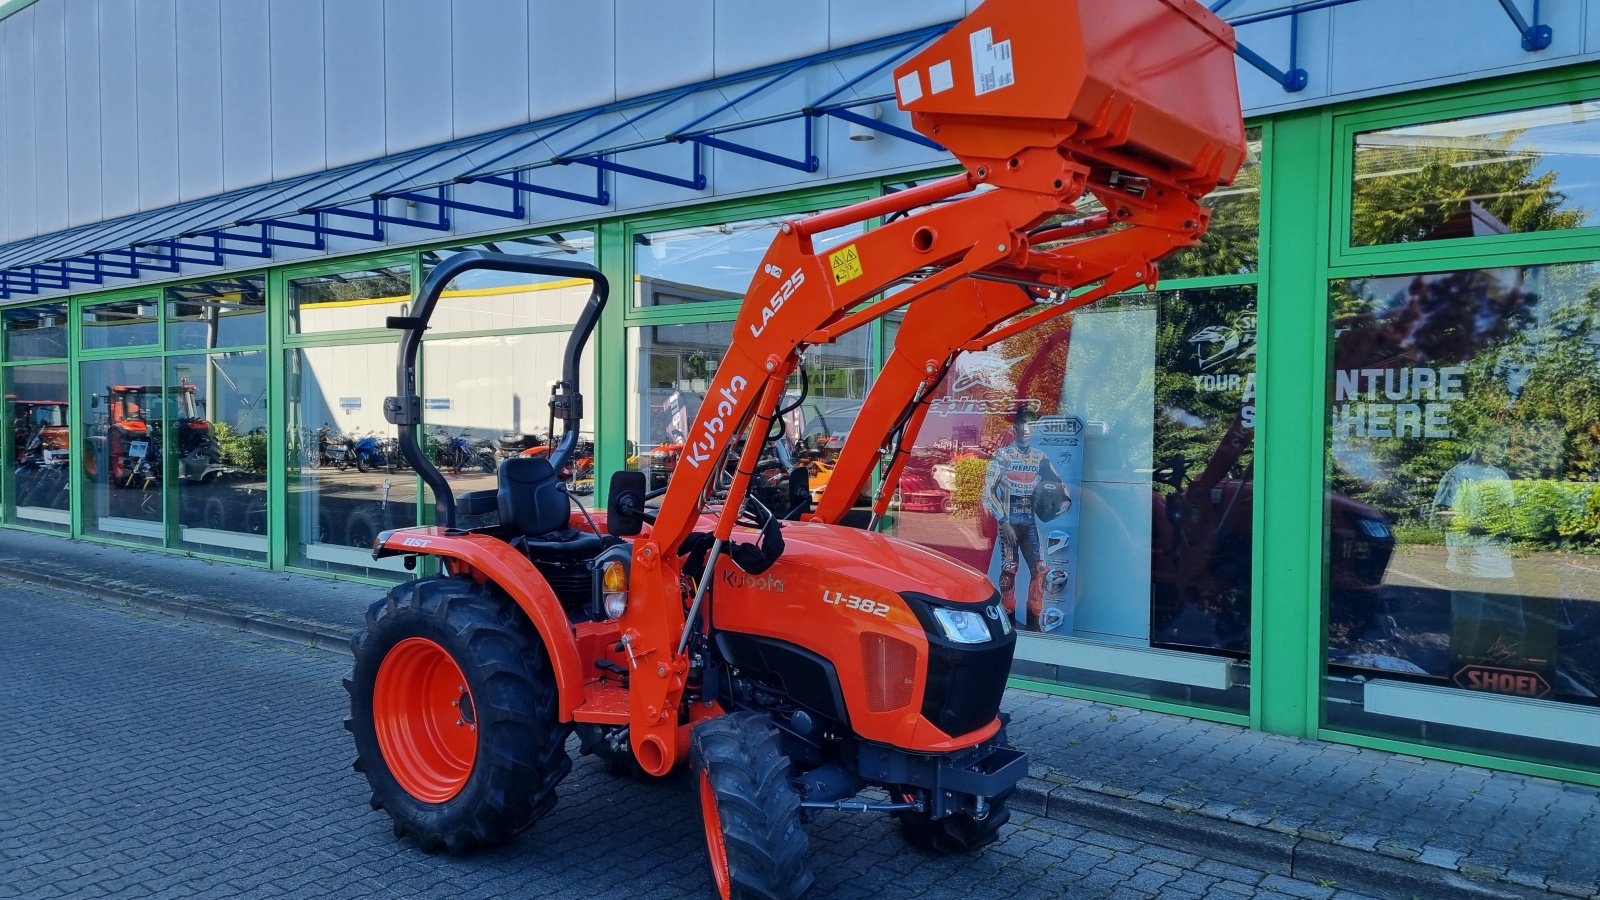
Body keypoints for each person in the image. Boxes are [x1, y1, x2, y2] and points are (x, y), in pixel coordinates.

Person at [983, 406, 1068, 629]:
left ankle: (1034, 624)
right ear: (1016, 428)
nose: (1027, 430)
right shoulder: (1003, 456)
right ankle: (1007, 622)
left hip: (1030, 524)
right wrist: (1003, 522)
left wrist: (1064, 502)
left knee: (1040, 570)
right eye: (1023, 425)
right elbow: (988, 491)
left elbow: (1059, 484)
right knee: (1009, 570)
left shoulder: (1040, 456)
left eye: (1032, 425)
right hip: (1009, 525)